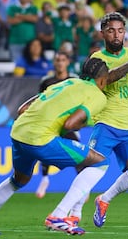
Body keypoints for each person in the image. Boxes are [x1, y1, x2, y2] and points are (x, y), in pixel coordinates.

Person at [0, 57, 110, 236]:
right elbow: (70, 124)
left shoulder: (67, 83)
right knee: (99, 162)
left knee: (18, 180)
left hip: (19, 132)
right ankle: (59, 215)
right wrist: (82, 123)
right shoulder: (97, 95)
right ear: (103, 79)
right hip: (40, 138)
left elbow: (22, 109)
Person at [63, 12, 128, 230]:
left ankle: (104, 199)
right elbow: (106, 80)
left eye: (120, 30)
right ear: (102, 33)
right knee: (91, 168)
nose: (116, 35)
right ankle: (74, 213)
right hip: (105, 123)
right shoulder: (97, 60)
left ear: (125, 32)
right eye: (111, 30)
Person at [35, 51, 81, 198]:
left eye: (63, 60)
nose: (60, 63)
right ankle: (44, 179)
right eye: (57, 60)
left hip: (68, 122)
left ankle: (81, 185)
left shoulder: (74, 80)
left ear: (68, 62)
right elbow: (40, 102)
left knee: (79, 153)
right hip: (51, 122)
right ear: (54, 63)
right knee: (44, 150)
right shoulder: (46, 81)